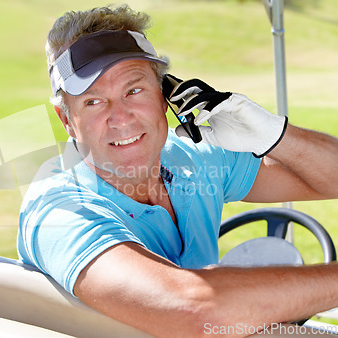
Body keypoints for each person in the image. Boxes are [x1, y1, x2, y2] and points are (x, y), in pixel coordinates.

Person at [17, 5, 338, 337]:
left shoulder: (192, 156)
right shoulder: (60, 208)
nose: (121, 118)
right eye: (93, 102)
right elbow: (192, 310)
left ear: (165, 95)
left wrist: (276, 136)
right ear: (67, 119)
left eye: (134, 90)